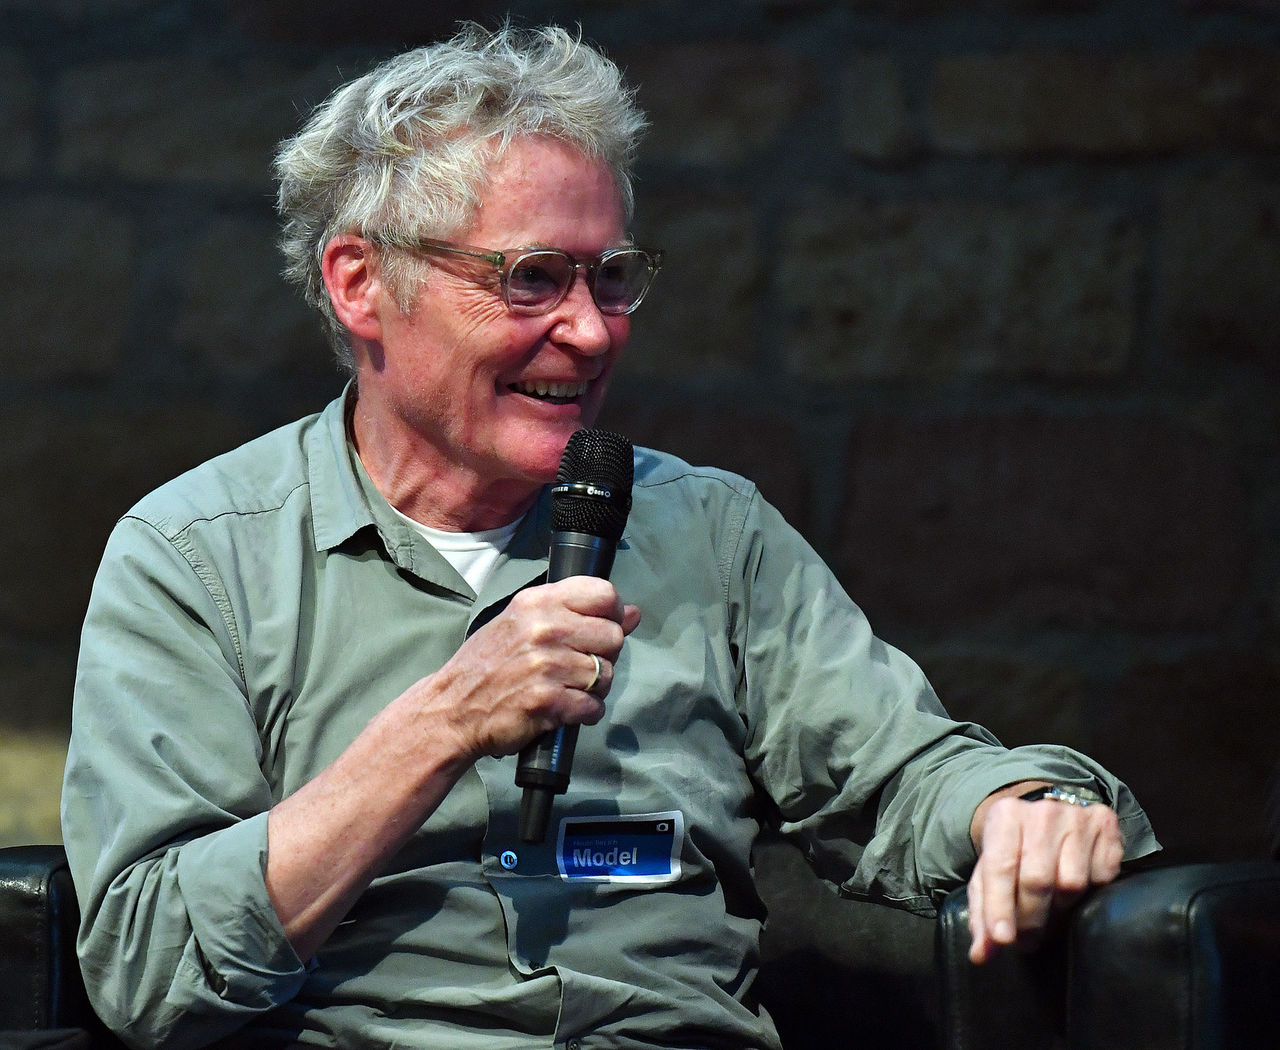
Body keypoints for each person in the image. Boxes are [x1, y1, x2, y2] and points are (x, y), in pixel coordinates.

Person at [62, 22, 1159, 1050]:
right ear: (361, 283)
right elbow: (151, 966)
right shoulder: (197, 556)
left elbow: (904, 779)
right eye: (530, 278)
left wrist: (1023, 809)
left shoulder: (709, 532)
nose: (588, 332)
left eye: (611, 278)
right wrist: (441, 725)